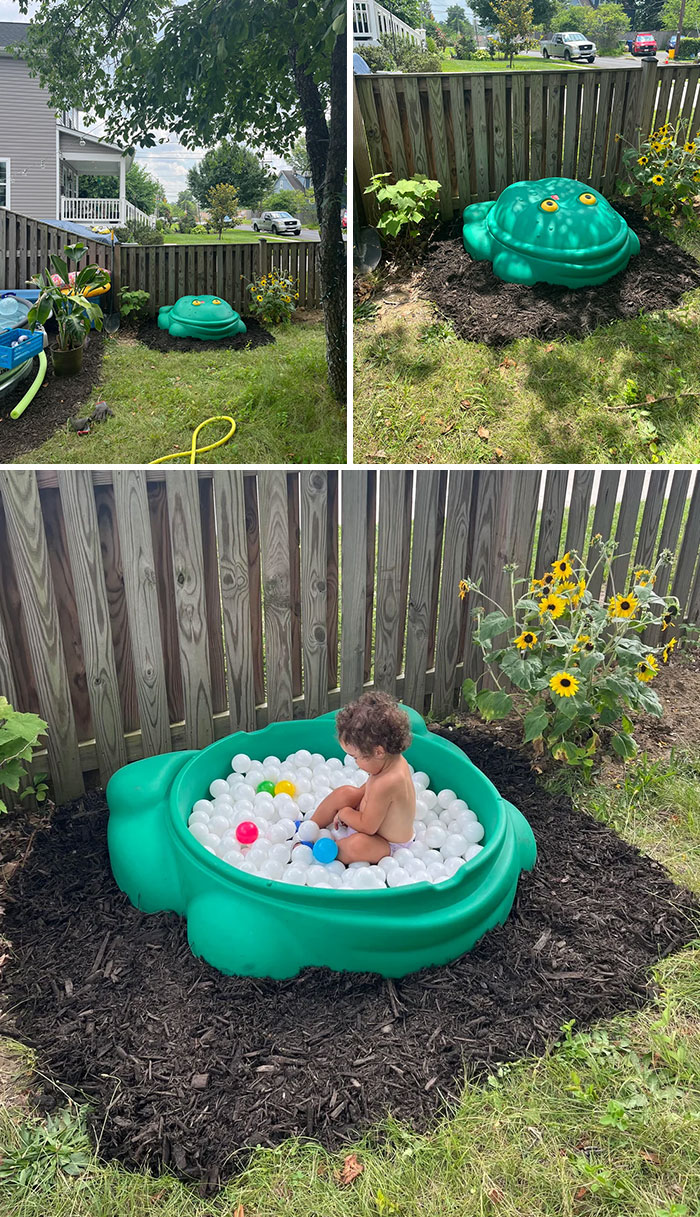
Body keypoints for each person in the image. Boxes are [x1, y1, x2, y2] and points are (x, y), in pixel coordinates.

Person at [310, 691, 416, 864]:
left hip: (385, 844)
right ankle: (309, 829)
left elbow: (368, 827)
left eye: (356, 757)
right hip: (369, 823)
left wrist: (345, 813)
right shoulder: (390, 762)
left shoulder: (388, 782)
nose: (355, 763)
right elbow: (368, 794)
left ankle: (317, 850)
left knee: (357, 845)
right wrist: (349, 803)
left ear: (378, 752)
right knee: (344, 793)